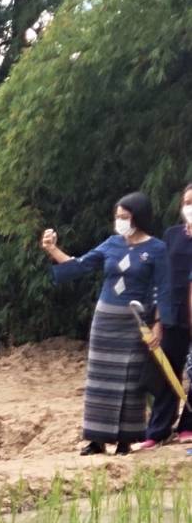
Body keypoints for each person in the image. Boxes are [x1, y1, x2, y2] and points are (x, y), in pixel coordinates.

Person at [42, 191, 171, 455]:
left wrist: (159, 324)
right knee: (100, 380)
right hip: (105, 319)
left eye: (125, 216)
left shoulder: (156, 249)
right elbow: (80, 265)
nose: (120, 221)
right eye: (117, 216)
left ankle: (126, 439)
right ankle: (96, 440)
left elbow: (163, 289)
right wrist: (52, 249)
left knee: (129, 380)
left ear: (139, 217)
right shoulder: (112, 244)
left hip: (135, 321)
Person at [145, 183, 192, 446]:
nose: (190, 207)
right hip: (172, 312)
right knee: (167, 371)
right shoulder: (172, 235)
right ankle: (158, 430)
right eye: (187, 202)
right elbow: (162, 278)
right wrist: (158, 320)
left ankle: (188, 425)